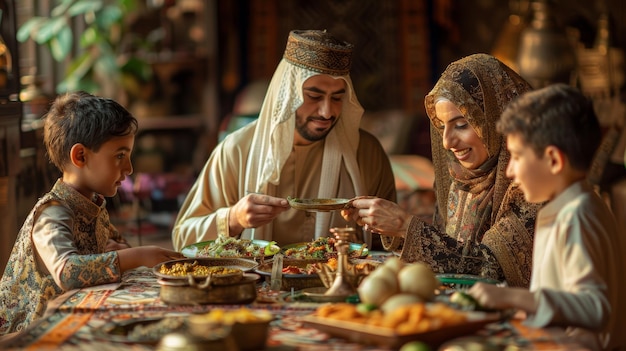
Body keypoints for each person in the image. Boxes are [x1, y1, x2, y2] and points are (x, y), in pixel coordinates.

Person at [172, 30, 396, 250]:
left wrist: (387, 227)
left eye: (337, 98)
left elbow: (390, 245)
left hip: (341, 283)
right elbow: (183, 238)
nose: (327, 112)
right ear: (288, 94)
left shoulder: (366, 152)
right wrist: (233, 218)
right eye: (314, 97)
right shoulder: (237, 150)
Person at [342, 54, 542, 287]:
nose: (447, 142)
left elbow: (493, 269)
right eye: (442, 126)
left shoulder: (532, 183)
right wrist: (396, 230)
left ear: (496, 118)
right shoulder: (458, 177)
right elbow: (446, 248)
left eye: (460, 125)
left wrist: (405, 226)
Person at [0, 92, 183, 335]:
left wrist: (120, 249)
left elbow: (117, 244)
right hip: (28, 331)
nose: (129, 169)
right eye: (120, 156)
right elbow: (67, 272)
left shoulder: (93, 204)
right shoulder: (52, 214)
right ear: (80, 156)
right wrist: (137, 255)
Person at [467, 84, 625, 351]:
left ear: (553, 160)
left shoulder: (578, 214)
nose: (510, 171)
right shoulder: (565, 207)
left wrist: (512, 297)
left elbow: (596, 307)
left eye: (517, 157)